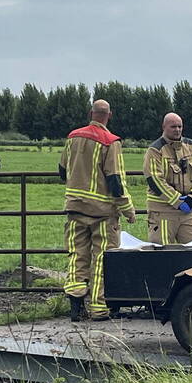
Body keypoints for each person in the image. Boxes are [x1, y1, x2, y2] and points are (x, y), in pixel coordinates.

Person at [59, 100, 136, 321]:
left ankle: (76, 307)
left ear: (90, 113)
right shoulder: (110, 142)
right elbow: (115, 180)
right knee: (102, 260)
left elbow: (62, 170)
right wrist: (128, 209)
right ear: (109, 115)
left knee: (76, 257)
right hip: (102, 213)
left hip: (74, 208)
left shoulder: (72, 137)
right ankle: (98, 309)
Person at [143, 113, 192, 244]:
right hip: (162, 212)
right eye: (173, 127)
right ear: (164, 127)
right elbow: (155, 180)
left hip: (188, 212)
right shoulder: (155, 150)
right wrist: (177, 201)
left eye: (180, 126)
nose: (177, 130)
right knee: (161, 254)